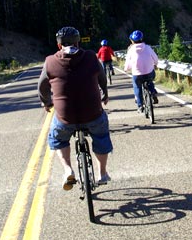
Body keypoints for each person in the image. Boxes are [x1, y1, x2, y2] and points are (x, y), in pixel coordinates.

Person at [38, 26, 113, 190]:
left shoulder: (50, 61)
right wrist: (105, 93)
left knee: (57, 138)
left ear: (59, 45)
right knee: (101, 135)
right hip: (93, 114)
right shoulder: (91, 57)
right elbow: (102, 77)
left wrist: (47, 102)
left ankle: (68, 170)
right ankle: (102, 173)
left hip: (66, 118)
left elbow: (42, 87)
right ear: (78, 42)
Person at [124, 30, 159, 112]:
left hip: (137, 75)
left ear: (132, 40)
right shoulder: (148, 47)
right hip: (149, 73)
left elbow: (127, 64)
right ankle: (153, 92)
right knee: (150, 79)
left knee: (137, 87)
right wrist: (155, 64)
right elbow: (156, 59)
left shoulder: (131, 50)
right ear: (142, 38)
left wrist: (126, 69)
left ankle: (140, 106)